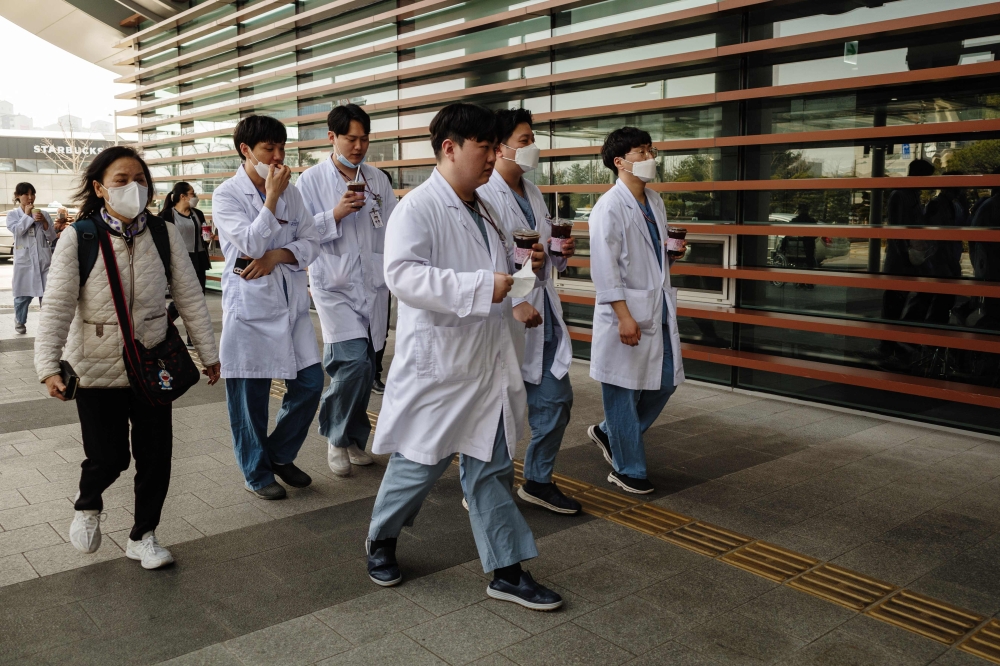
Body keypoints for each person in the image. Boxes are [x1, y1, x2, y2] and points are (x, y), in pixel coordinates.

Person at [365, 103, 562, 611]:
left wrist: (527, 269)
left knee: (492, 467)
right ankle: (381, 537)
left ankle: (506, 570)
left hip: (488, 363)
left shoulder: (487, 208)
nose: (495, 157)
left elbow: (503, 276)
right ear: (450, 148)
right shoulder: (420, 207)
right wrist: (484, 285)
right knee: (418, 465)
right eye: (487, 147)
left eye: (498, 148)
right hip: (442, 365)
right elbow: (403, 276)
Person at [33, 146, 221, 569]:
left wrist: (208, 352)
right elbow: (59, 304)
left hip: (154, 362)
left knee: (156, 456)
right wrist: (48, 367)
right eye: (122, 179)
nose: (133, 187)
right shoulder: (79, 236)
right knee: (110, 456)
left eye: (140, 179)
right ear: (100, 188)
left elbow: (190, 295)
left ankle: (144, 536)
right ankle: (87, 504)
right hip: (96, 366)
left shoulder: (162, 232)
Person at [213, 115, 323, 500]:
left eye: (282, 148)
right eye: (268, 150)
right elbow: (248, 243)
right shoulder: (226, 195)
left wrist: (280, 255)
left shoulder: (294, 193)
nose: (278, 158)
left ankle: (278, 454)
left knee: (311, 383)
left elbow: (312, 240)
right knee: (250, 398)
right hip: (251, 310)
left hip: (290, 307)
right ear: (246, 150)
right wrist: (272, 198)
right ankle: (256, 470)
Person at [477, 108, 581, 515]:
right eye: (524, 140)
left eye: (532, 139)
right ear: (499, 148)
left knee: (557, 400)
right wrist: (516, 300)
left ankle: (537, 479)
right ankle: (483, 485)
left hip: (542, 311)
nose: (532, 147)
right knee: (496, 408)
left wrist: (561, 253)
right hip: (506, 313)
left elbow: (541, 252)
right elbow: (487, 261)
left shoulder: (533, 192)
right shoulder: (484, 195)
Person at [586, 127, 686, 495]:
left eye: (650, 150)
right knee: (621, 392)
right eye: (642, 152)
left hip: (655, 306)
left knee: (666, 382)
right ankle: (628, 469)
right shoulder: (608, 208)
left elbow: (649, 252)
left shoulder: (654, 201)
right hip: (624, 312)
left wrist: (669, 254)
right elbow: (605, 267)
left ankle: (609, 433)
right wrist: (624, 315)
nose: (650, 158)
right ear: (620, 161)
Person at [297, 104, 396, 477]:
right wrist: (334, 214)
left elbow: (391, 228)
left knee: (367, 368)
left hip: (374, 286)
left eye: (364, 138)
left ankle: (354, 437)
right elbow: (301, 235)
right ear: (332, 138)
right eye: (351, 138)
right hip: (335, 286)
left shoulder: (377, 180)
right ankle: (335, 436)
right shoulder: (311, 181)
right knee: (351, 362)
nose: (358, 146)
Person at [161, 181, 212, 348]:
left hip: (199, 259)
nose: (195, 196)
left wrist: (208, 237)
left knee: (198, 300)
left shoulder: (197, 213)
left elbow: (204, 233)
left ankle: (192, 339)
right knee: (180, 299)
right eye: (192, 193)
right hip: (179, 261)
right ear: (182, 196)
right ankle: (161, 327)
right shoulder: (167, 215)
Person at [7, 183, 56, 335]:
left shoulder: (43, 213)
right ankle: (20, 321)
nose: (30, 197)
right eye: (26, 194)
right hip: (25, 262)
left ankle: (48, 324)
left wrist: (45, 223)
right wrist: (27, 216)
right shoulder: (13, 215)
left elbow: (52, 237)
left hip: (43, 260)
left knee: (47, 295)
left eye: (32, 194)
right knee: (22, 296)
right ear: (17, 196)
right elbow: (17, 231)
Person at [373, 168, 396, 395]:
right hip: (354, 280)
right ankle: (367, 374)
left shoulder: (392, 210)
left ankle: (375, 374)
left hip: (382, 279)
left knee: (381, 330)